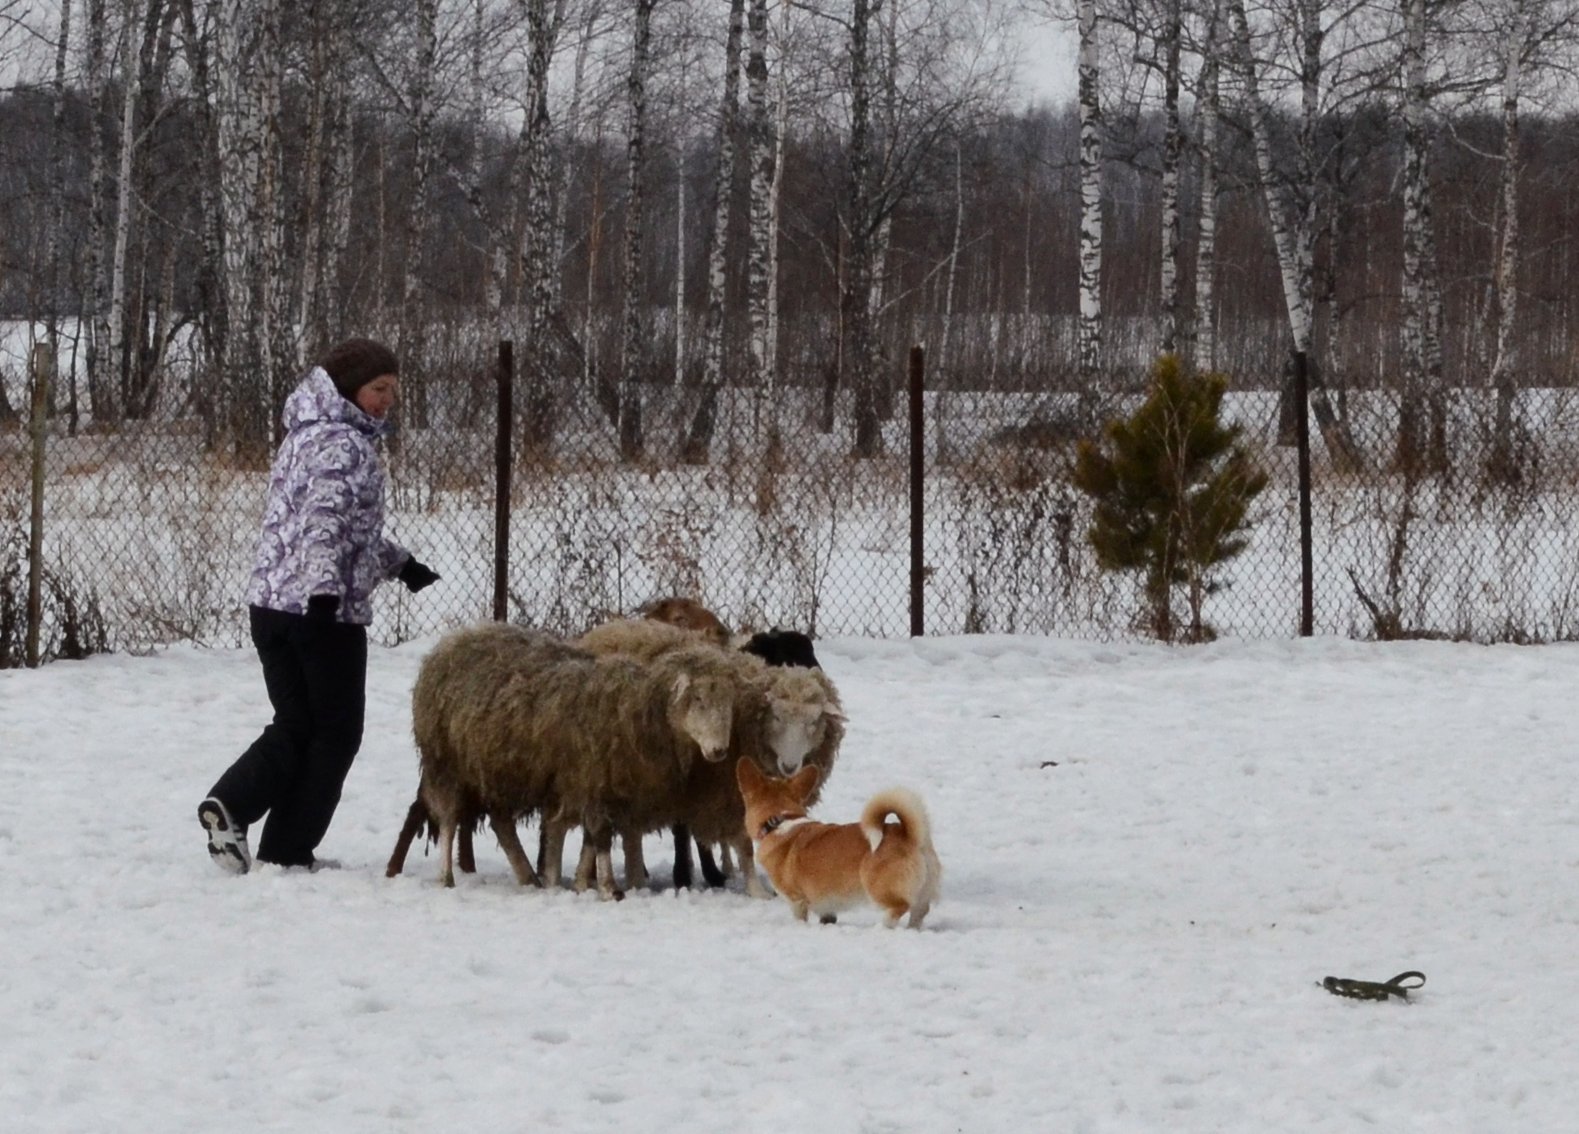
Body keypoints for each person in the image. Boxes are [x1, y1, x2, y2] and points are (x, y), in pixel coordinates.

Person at [198, 338, 439, 874]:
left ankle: (231, 804)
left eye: (393, 391)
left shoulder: (304, 435)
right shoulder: (344, 444)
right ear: (349, 386)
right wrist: (326, 593)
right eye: (379, 389)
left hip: (271, 605)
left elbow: (336, 527)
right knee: (336, 732)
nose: (387, 400)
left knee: (297, 724)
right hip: (318, 612)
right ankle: (285, 847)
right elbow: (324, 523)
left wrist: (400, 564)